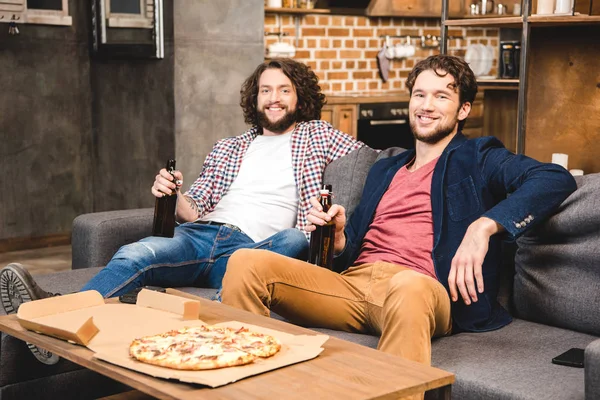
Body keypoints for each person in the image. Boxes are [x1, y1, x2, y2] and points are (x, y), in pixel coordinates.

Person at [220, 55, 577, 371]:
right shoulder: (385, 168)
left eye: (442, 96)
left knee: (408, 286)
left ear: (463, 109)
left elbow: (552, 178)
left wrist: (484, 226)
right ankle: (246, 383)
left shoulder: (479, 157)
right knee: (246, 262)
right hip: (354, 286)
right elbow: (347, 254)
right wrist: (340, 236)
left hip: (422, 290)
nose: (427, 105)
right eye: (419, 95)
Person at [0, 58, 365, 364]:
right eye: (266, 90)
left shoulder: (317, 134)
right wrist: (169, 194)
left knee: (292, 237)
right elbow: (192, 209)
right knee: (136, 253)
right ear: (255, 99)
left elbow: (374, 158)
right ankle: (56, 318)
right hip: (202, 234)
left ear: (299, 97)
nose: (274, 98)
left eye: (284, 90)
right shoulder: (230, 147)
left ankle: (203, 337)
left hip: (255, 252)